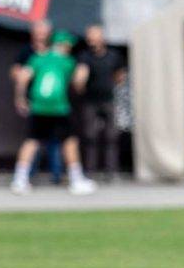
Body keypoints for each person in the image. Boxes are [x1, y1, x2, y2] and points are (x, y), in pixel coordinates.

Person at [11, 30, 96, 195]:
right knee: (69, 141)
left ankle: (19, 180)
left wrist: (20, 98)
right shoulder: (67, 62)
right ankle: (76, 180)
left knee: (32, 141)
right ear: (64, 45)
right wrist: (82, 77)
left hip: (39, 107)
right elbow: (79, 81)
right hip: (58, 107)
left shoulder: (38, 58)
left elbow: (22, 77)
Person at [73, 24, 126, 181]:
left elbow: (120, 75)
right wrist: (79, 83)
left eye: (94, 37)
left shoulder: (113, 55)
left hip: (109, 100)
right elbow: (79, 78)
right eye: (89, 38)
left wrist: (114, 84)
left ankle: (111, 171)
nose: (91, 41)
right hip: (90, 101)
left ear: (101, 38)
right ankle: (90, 171)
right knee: (90, 136)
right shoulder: (84, 56)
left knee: (111, 137)